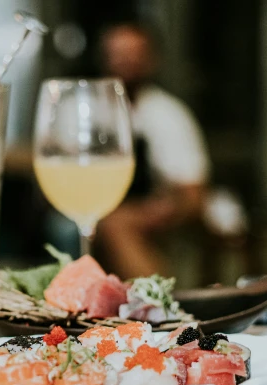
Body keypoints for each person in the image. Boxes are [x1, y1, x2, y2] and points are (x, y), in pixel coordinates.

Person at [94, 24, 246, 279]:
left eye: (134, 54)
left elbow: (194, 194)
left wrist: (162, 209)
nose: (125, 62)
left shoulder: (168, 115)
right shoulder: (88, 110)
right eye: (117, 53)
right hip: (93, 207)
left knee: (114, 225)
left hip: (144, 208)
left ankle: (155, 303)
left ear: (152, 60)